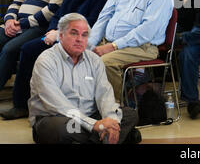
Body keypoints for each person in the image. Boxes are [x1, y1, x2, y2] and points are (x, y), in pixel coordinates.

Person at [0, 0, 114, 120]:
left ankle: (33, 104)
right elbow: (59, 13)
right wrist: (52, 30)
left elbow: (91, 20)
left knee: (28, 49)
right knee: (28, 49)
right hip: (61, 34)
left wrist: (59, 33)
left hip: (80, 37)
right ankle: (22, 104)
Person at [28, 13, 141, 144]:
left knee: (129, 114)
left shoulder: (94, 60)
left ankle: (105, 135)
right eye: (74, 33)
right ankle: (114, 137)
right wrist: (95, 125)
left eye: (84, 35)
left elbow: (104, 95)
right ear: (60, 35)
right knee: (61, 130)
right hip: (58, 117)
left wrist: (110, 122)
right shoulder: (46, 61)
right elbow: (58, 105)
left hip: (90, 116)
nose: (79, 39)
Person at [88, 0, 173, 101]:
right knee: (82, 57)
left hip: (142, 46)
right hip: (110, 42)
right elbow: (103, 18)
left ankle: (117, 108)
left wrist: (113, 46)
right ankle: (90, 104)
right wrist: (88, 45)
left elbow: (146, 32)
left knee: (104, 63)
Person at [0, 0, 73, 91]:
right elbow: (16, 3)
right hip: (18, 24)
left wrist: (21, 24)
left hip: (39, 28)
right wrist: (9, 20)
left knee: (9, 49)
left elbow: (50, 11)